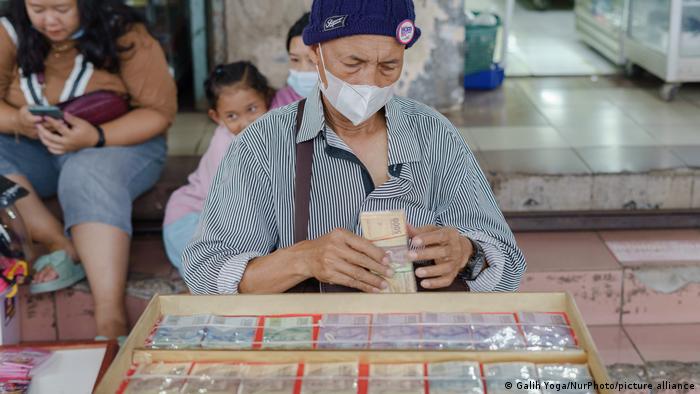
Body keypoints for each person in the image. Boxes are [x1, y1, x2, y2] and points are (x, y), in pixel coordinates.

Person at [183, 0, 526, 295]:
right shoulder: (263, 145)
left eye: (388, 66)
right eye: (352, 64)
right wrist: (303, 259)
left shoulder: (434, 135)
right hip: (315, 351)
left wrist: (468, 253)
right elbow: (205, 273)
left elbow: (508, 267)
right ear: (316, 52)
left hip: (417, 342)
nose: (370, 82)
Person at [0, 0, 177, 339]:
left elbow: (158, 112)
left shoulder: (125, 32)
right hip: (36, 146)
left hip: (121, 141)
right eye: (37, 8)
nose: (50, 20)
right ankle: (58, 243)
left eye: (62, 9)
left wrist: (95, 136)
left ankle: (110, 320)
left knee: (86, 172)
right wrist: (17, 120)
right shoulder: (9, 32)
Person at [163, 62, 274, 275]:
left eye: (252, 109)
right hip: (190, 220)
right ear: (216, 117)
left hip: (226, 220)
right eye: (232, 116)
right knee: (217, 273)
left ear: (267, 99)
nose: (245, 123)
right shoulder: (224, 145)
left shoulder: (271, 130)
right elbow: (236, 203)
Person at [270, 12, 318, 109]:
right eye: (295, 60)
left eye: (313, 60)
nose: (304, 69)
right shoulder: (281, 102)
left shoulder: (351, 101)